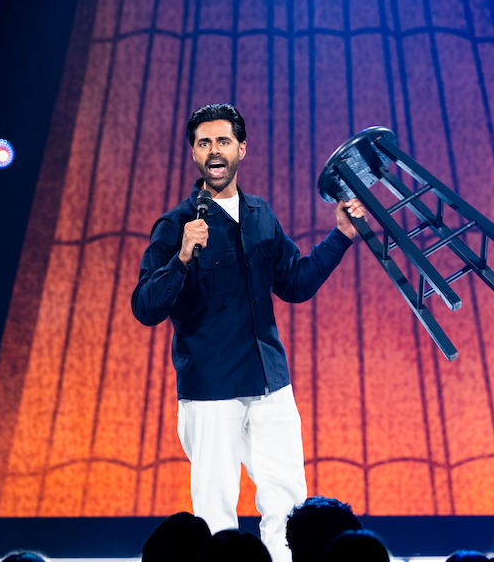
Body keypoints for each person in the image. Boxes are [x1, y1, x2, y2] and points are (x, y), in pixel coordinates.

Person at [132, 104, 364, 562]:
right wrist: (181, 258)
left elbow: (294, 283)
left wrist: (340, 236)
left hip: (270, 384)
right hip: (211, 389)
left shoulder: (260, 214)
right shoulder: (176, 224)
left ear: (241, 149)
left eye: (223, 141)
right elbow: (145, 307)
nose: (214, 151)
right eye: (204, 143)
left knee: (288, 500)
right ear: (194, 154)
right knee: (215, 510)